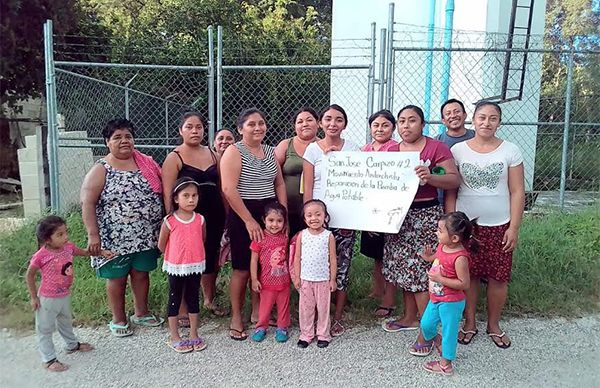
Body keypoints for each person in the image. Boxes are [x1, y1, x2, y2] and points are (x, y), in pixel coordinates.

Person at [446, 100, 525, 349]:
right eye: (482, 117)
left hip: (500, 224)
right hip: (466, 227)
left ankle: (493, 324)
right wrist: (452, 224)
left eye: (492, 118)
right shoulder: (458, 150)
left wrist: (513, 227)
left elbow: (517, 191)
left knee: (498, 277)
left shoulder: (510, 150)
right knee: (469, 275)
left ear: (499, 122)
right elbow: (451, 190)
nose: (486, 123)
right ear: (473, 120)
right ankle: (469, 323)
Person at [81, 118, 164, 337]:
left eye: (128, 136)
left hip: (146, 235)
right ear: (107, 142)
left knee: (141, 274)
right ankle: (118, 319)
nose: (124, 141)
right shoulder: (102, 169)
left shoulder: (145, 162)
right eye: (117, 137)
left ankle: (141, 313)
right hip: (113, 237)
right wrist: (93, 235)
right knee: (117, 277)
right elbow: (87, 202)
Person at [381, 105, 460, 333]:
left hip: (425, 216)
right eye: (402, 121)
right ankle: (409, 318)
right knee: (403, 269)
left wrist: (432, 177)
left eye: (412, 120)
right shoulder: (391, 153)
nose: (407, 126)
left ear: (423, 124)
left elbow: (454, 180)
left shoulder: (437, 148)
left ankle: (429, 327)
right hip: (398, 217)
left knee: (423, 268)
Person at [220, 108, 287, 340]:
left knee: (265, 266)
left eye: (261, 123)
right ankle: (237, 316)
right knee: (241, 268)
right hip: (243, 214)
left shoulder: (270, 151)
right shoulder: (233, 151)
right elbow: (229, 189)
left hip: (269, 214)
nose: (258, 128)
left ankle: (259, 312)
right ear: (240, 129)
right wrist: (249, 220)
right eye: (251, 124)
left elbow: (278, 184)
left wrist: (283, 214)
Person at [26, 216, 115, 372]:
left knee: (65, 321)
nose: (66, 237)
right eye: (60, 235)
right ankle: (48, 359)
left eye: (66, 232)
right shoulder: (41, 256)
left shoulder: (68, 247)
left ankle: (72, 345)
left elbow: (86, 252)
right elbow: (29, 275)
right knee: (45, 328)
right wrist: (34, 297)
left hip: (64, 294)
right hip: (47, 298)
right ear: (47, 239)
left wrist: (101, 252)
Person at [162, 112, 227, 320]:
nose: (195, 131)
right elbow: (168, 192)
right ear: (180, 131)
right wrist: (171, 219)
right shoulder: (174, 157)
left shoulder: (213, 154)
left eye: (198, 127)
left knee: (211, 257)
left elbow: (223, 188)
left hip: (213, 215)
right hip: (185, 219)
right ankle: (181, 308)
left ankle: (208, 299)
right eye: (189, 127)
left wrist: (226, 215)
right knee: (183, 258)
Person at [302, 104, 360, 337]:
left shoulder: (354, 149)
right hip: (318, 220)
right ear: (320, 123)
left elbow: (359, 184)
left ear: (344, 124)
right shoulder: (312, 151)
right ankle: (314, 314)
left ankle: (337, 316)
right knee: (317, 265)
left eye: (338, 120)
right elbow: (308, 189)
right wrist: (309, 218)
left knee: (342, 266)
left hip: (345, 216)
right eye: (328, 119)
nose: (332, 124)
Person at [409, 212, 476, 376]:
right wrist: (428, 257)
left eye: (440, 230)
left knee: (449, 332)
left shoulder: (460, 258)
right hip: (436, 297)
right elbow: (437, 258)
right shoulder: (443, 246)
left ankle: (446, 364)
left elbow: (464, 283)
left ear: (454, 238)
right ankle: (436, 340)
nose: (436, 233)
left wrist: (440, 278)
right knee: (425, 324)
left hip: (452, 302)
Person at [158, 177, 208, 353]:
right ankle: (175, 336)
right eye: (186, 195)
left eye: (194, 195)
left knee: (193, 297)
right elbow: (161, 244)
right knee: (175, 298)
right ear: (176, 198)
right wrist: (175, 256)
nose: (191, 199)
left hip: (195, 265)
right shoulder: (169, 221)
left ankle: (194, 334)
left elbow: (202, 239)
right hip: (176, 267)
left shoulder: (200, 219)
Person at [360, 109, 399, 312]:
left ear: (393, 128)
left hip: (390, 210)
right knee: (377, 255)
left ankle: (389, 299)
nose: (380, 129)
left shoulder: (397, 149)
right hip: (370, 210)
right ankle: (377, 289)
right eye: (376, 125)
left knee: (390, 253)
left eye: (385, 125)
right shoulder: (364, 150)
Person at [293, 199, 337, 348]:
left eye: (318, 214)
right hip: (306, 279)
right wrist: (297, 277)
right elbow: (297, 258)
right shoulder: (302, 235)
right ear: (305, 218)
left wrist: (332, 279)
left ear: (325, 216)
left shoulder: (328, 236)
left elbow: (332, 259)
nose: (314, 218)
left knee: (323, 308)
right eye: (310, 215)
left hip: (323, 280)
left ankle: (323, 334)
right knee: (306, 308)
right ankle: (306, 334)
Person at [274, 107, 320, 237]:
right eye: (300, 121)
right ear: (294, 126)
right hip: (287, 207)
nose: (304, 124)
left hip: (315, 211)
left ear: (318, 123)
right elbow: (273, 173)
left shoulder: (324, 146)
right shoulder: (285, 145)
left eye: (309, 120)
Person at [250, 202, 290, 343]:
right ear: (264, 220)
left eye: (279, 221)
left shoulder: (285, 238)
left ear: (285, 222)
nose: (275, 224)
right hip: (266, 281)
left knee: (283, 306)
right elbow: (254, 260)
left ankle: (282, 327)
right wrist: (254, 279)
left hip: (284, 280)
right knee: (265, 307)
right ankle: (261, 327)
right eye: (271, 220)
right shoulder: (259, 239)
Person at [436, 99, 475, 206]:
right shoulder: (437, 142)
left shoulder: (477, 137)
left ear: (465, 115)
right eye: (448, 113)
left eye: (457, 111)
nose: (453, 116)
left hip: (472, 195)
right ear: (443, 120)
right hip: (444, 197)